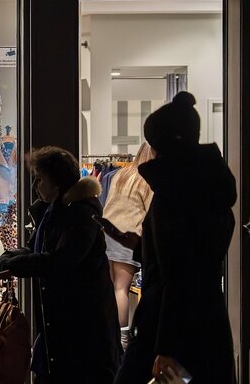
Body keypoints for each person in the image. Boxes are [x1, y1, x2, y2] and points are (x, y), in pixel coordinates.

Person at [112, 92, 236, 384]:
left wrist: (165, 347)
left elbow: (179, 275)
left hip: (170, 326)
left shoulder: (174, 196)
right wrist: (144, 246)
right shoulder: (208, 190)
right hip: (205, 320)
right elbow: (194, 257)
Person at [0, 146, 121, 383]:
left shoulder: (81, 214)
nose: (35, 185)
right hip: (64, 325)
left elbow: (60, 261)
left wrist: (15, 263)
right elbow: (37, 249)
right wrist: (9, 257)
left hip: (83, 330)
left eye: (40, 179)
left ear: (57, 182)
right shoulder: (55, 211)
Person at [101, 142, 155, 347]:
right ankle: (123, 336)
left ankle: (111, 333)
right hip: (128, 236)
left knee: (111, 287)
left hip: (108, 234)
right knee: (121, 289)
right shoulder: (146, 180)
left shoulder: (120, 175)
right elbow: (151, 213)